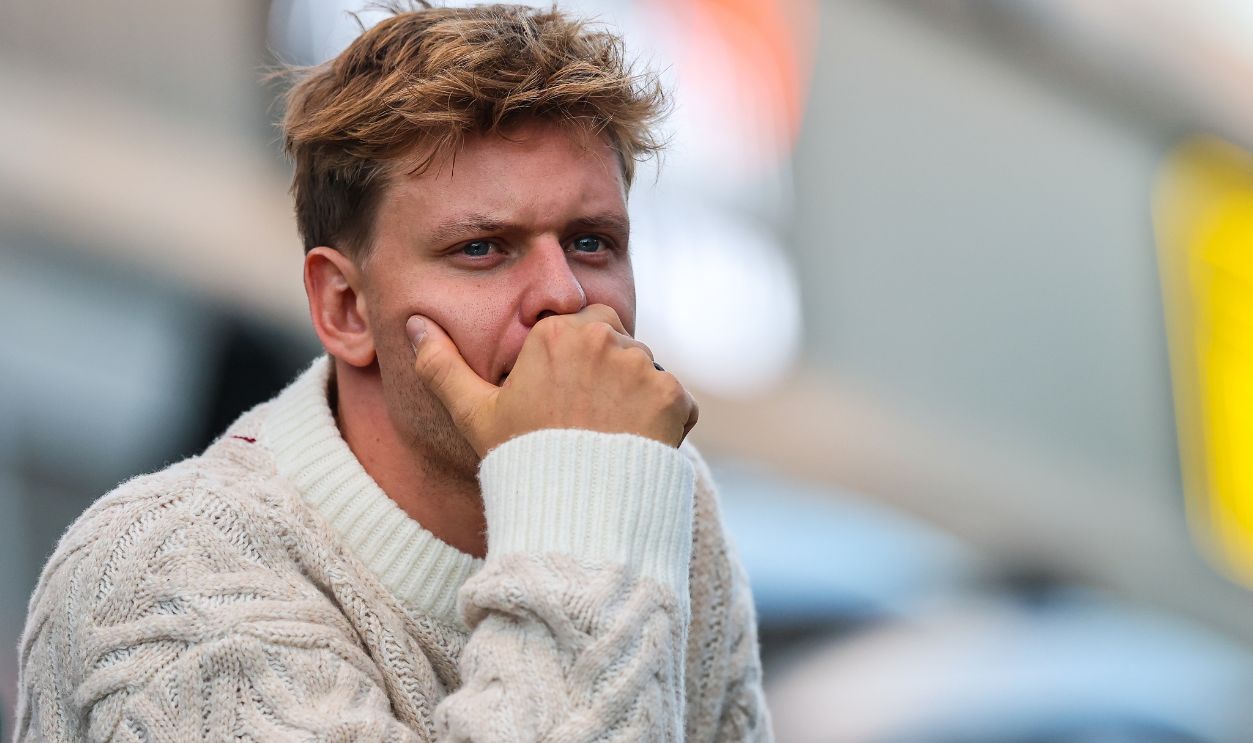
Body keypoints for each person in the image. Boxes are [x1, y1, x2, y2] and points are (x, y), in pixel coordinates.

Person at [15, 4, 771, 740]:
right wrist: (580, 500)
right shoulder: (163, 572)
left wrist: (594, 491)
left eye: (591, 242)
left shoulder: (662, 496)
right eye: (481, 248)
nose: (563, 296)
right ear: (345, 306)